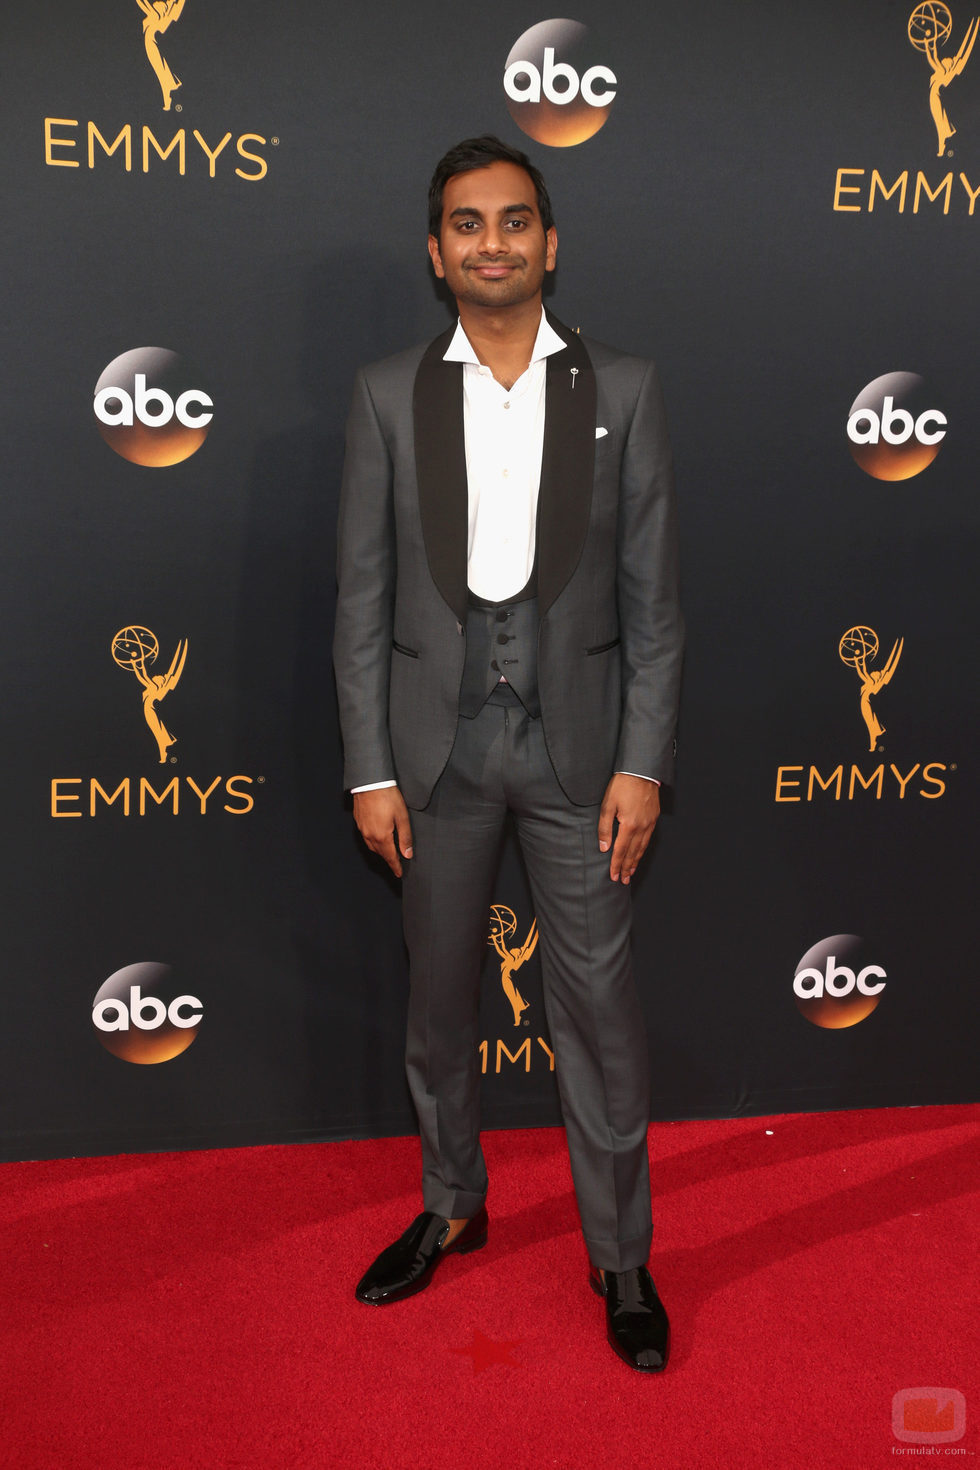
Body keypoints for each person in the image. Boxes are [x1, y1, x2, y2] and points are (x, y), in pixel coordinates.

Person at [333, 136, 683, 1372]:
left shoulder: (624, 388)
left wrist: (643, 762)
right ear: (437, 253)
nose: (493, 242)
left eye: (515, 221)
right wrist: (368, 769)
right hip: (432, 758)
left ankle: (619, 1255)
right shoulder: (386, 393)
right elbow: (361, 601)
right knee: (438, 1004)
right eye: (467, 224)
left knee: (599, 1016)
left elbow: (653, 604)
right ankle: (449, 1201)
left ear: (549, 242)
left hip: (581, 760)